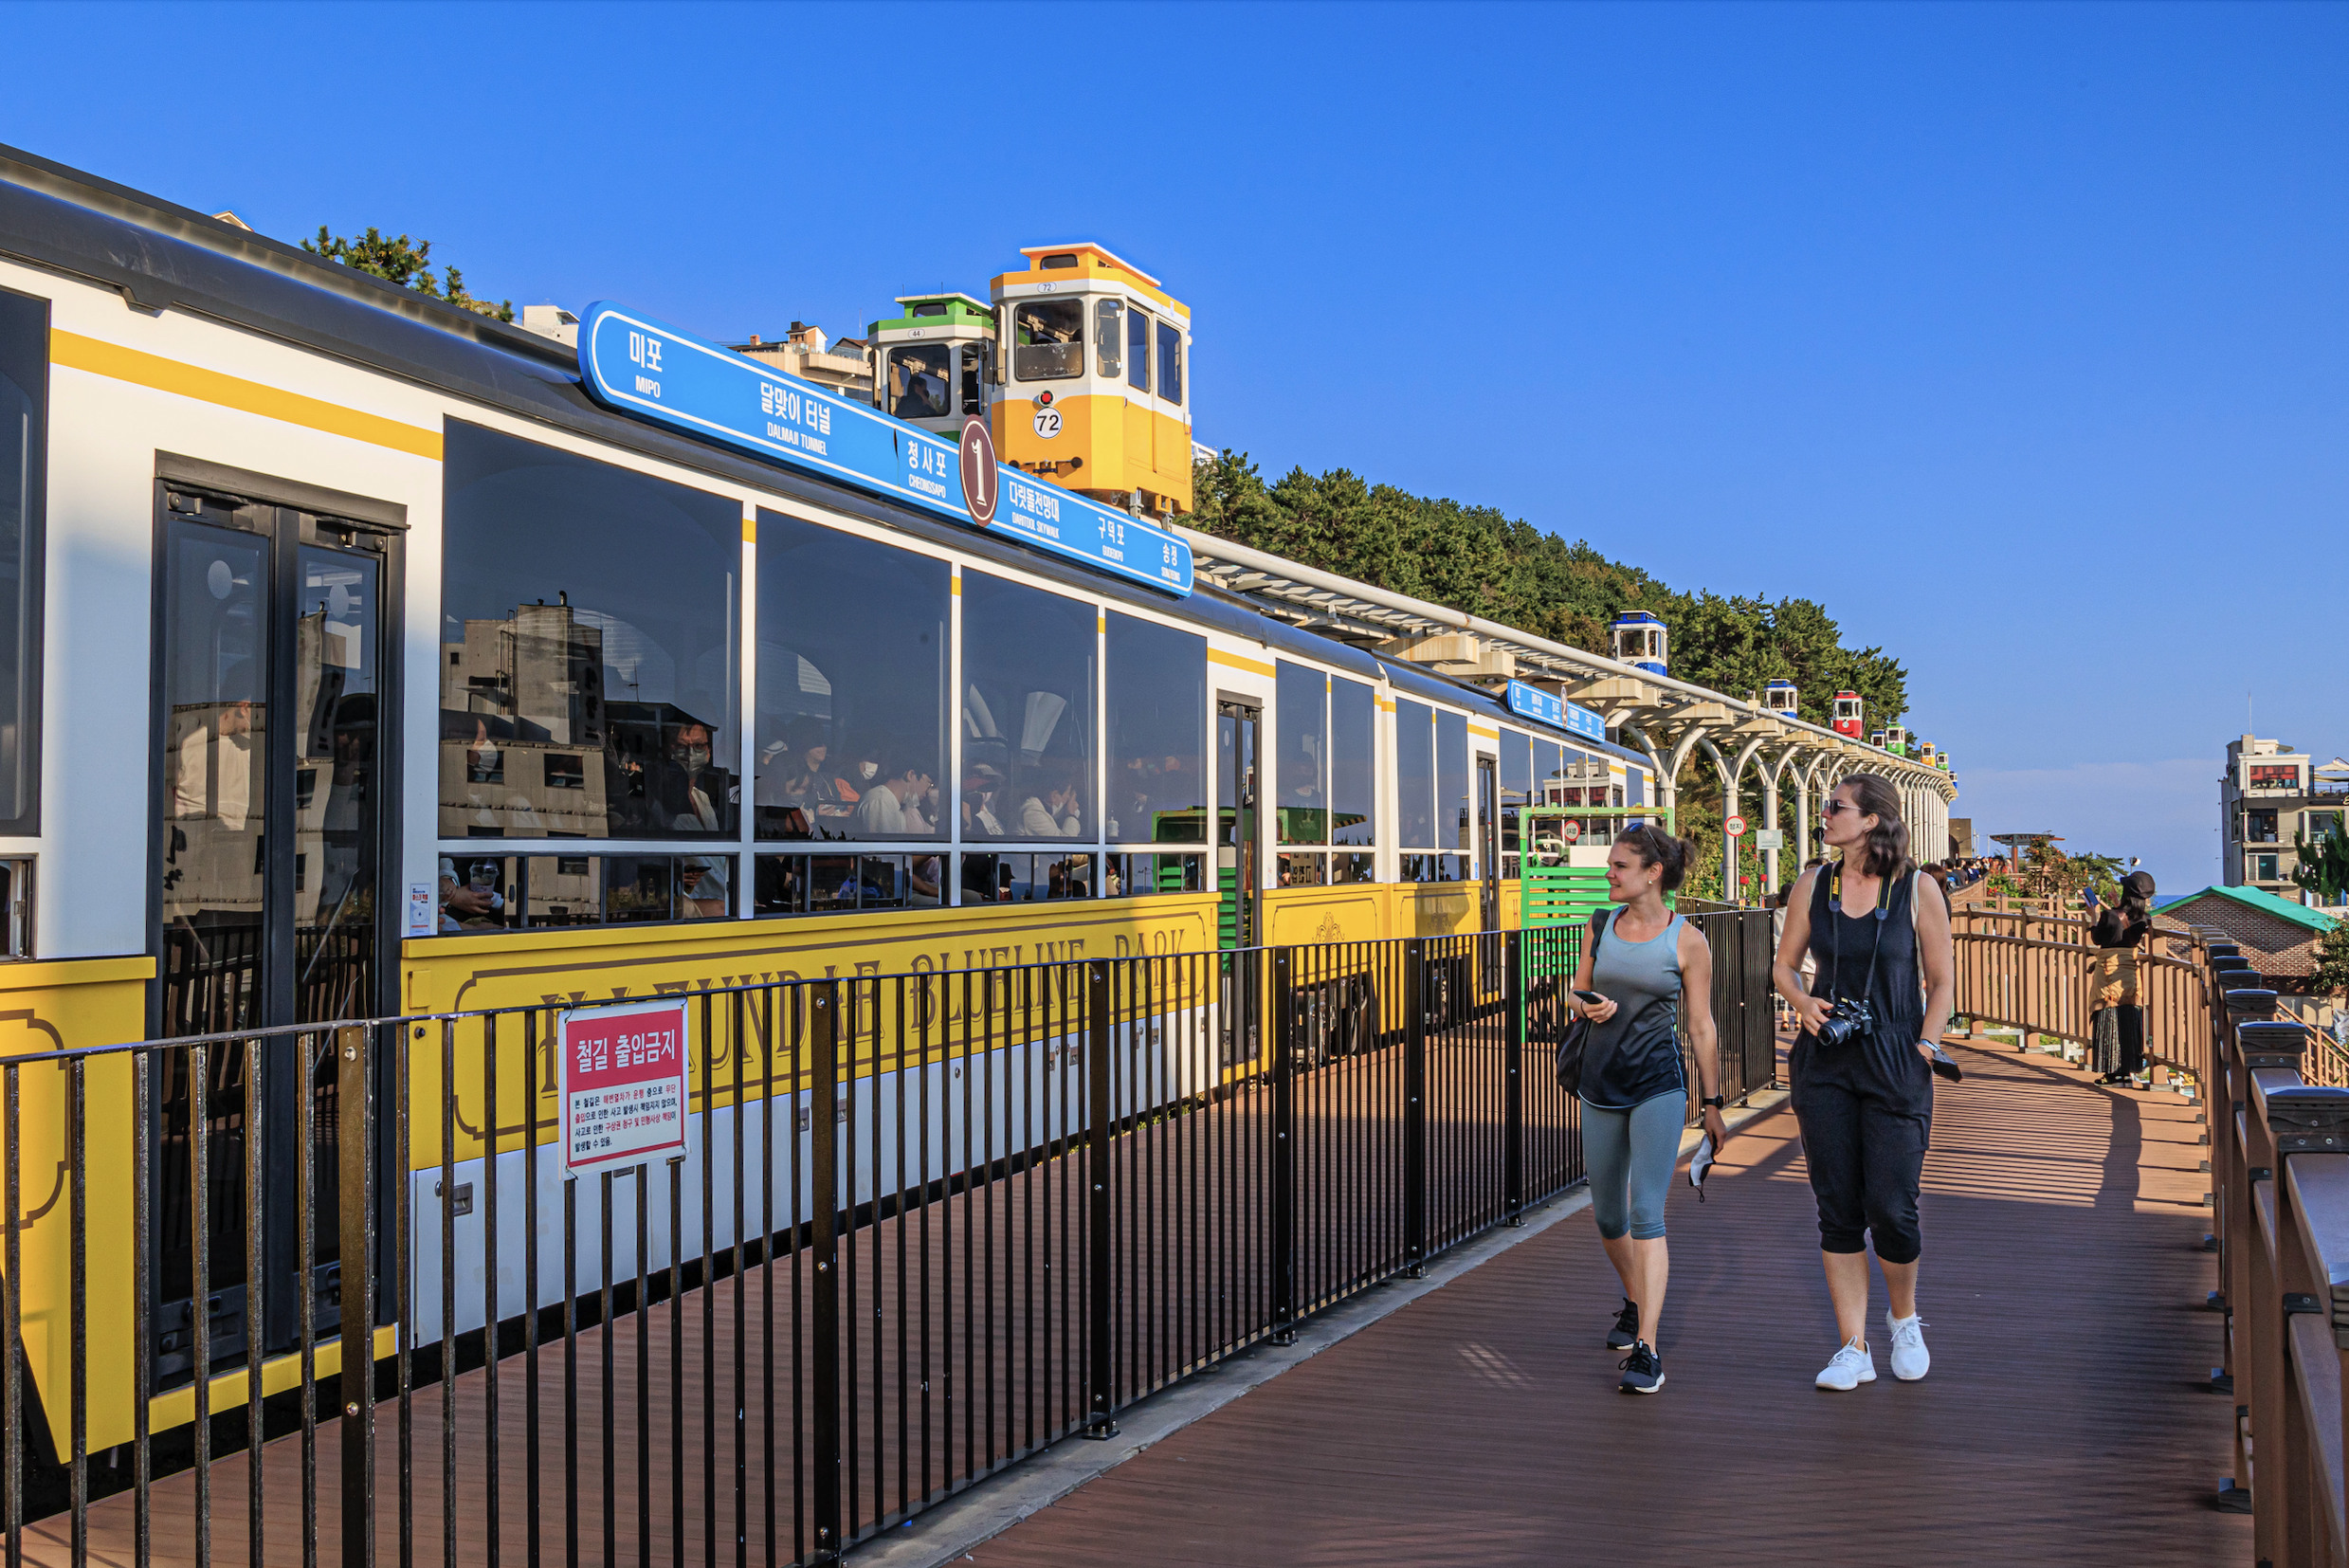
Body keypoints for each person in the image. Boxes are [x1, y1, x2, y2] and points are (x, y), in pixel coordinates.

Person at [1773, 775, 1955, 1391]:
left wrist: (1925, 1047)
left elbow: (1942, 979)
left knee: (1893, 1207)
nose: (1824, 815)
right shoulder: (1813, 884)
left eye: (1835, 808)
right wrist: (1801, 1000)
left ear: (1872, 820)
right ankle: (1853, 1347)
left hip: (1896, 1055)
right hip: (1825, 1056)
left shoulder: (1917, 889)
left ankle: (1904, 1320)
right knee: (1838, 1208)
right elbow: (1783, 964)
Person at [1564, 825, 1728, 1395]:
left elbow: (1702, 1025)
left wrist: (1713, 1103)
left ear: (1652, 873)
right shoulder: (1600, 924)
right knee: (1609, 1217)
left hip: (1658, 1087)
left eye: (1619, 866)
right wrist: (1587, 1004)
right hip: (1599, 1084)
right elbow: (1573, 989)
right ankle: (1634, 1301)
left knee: (1646, 1215)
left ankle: (1648, 1350)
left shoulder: (1688, 940)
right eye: (1609, 866)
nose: (1608, 874)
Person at [2089, 870, 2157, 1084]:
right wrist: (2117, 903)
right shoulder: (2144, 918)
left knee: (2108, 1017)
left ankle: (2111, 1072)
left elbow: (2098, 937)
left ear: (2126, 891)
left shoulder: (2109, 916)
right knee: (2128, 1017)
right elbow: (2126, 925)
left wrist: (2093, 914)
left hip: (2108, 971)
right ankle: (2128, 1071)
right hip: (2130, 973)